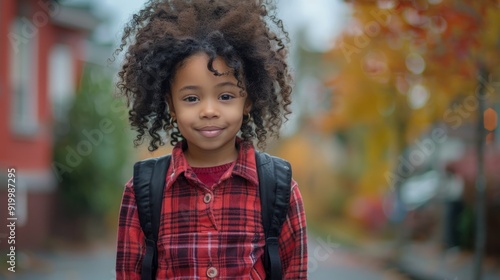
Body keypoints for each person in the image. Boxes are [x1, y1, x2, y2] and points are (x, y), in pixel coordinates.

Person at [114, 0, 307, 278]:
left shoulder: (279, 189)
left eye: (225, 96)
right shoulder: (143, 192)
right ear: (171, 105)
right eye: (191, 98)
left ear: (248, 100)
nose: (208, 111)